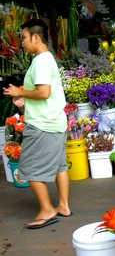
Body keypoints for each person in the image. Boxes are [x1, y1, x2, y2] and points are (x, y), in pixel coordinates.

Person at [2, 19, 72, 229]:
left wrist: (19, 92)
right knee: (60, 165)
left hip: (43, 125)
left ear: (35, 37)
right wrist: (25, 96)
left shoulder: (41, 61)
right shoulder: (47, 59)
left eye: (23, 37)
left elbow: (44, 92)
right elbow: (44, 92)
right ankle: (64, 206)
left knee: (28, 167)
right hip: (55, 121)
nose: (22, 42)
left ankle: (48, 209)